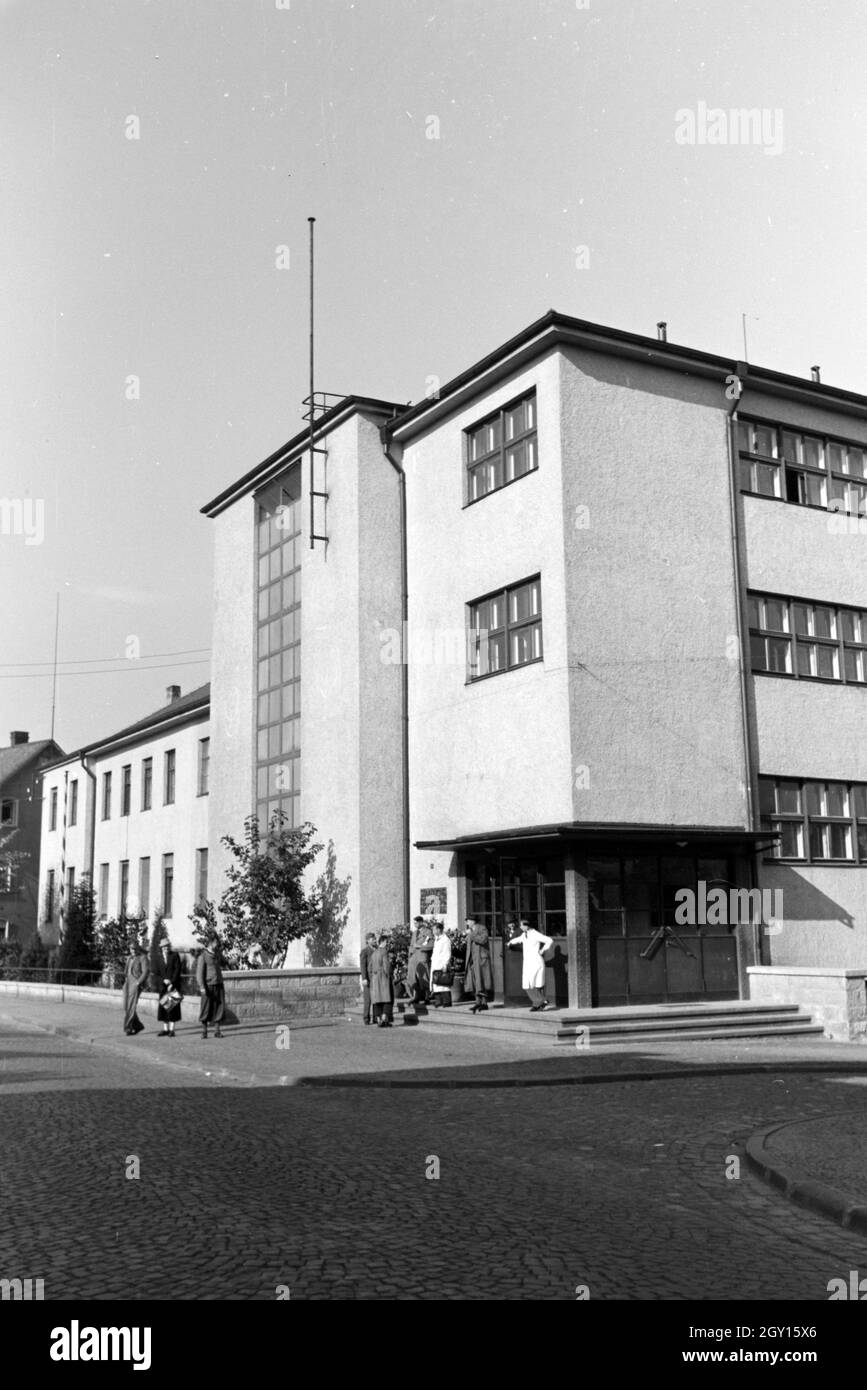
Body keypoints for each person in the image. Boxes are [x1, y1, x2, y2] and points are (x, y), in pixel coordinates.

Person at [506, 918, 553, 1010]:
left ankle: (541, 1001)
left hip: (535, 961)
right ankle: (537, 1004)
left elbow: (549, 940)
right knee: (531, 984)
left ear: (526, 925)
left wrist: (542, 950)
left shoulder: (535, 934)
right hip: (529, 962)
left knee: (529, 983)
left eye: (521, 925)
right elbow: (518, 939)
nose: (520, 927)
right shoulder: (525, 934)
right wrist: (510, 942)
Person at [196, 933, 225, 1039]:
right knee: (206, 1008)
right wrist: (202, 987)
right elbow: (199, 974)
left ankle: (217, 1031)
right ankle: (204, 1031)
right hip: (208, 986)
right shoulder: (203, 956)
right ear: (211, 942)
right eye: (216, 942)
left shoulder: (217, 954)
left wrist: (240, 956)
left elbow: (225, 962)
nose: (218, 944)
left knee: (219, 1007)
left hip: (218, 984)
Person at [464, 918, 493, 1013]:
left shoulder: (482, 928)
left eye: (468, 921)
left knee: (482, 980)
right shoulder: (471, 931)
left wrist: (471, 934)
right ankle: (477, 1002)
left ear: (473, 921)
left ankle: (484, 1003)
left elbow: (483, 940)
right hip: (472, 959)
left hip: (481, 959)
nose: (467, 923)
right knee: (475, 981)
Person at [156, 935, 183, 1038]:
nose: (165, 948)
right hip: (163, 986)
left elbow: (177, 970)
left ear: (169, 946)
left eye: (167, 946)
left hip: (173, 986)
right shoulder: (158, 958)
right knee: (163, 1008)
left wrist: (172, 982)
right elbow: (156, 973)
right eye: (164, 947)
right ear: (161, 948)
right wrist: (163, 980)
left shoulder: (175, 955)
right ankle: (165, 1029)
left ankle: (172, 1030)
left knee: (172, 1009)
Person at [406, 916, 435, 1005]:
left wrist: (420, 946)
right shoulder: (414, 933)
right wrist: (410, 955)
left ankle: (427, 997)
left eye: (416, 923)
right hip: (413, 958)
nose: (415, 924)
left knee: (425, 977)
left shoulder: (428, 932)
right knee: (413, 978)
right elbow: (412, 945)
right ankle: (416, 996)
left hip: (422, 956)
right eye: (414, 923)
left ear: (421, 922)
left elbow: (431, 945)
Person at [122, 941, 149, 1035]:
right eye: (131, 949)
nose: (132, 951)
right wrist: (125, 980)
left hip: (135, 983)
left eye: (134, 949)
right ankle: (138, 1025)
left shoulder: (143, 958)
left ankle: (128, 1027)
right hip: (127, 982)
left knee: (131, 1005)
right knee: (126, 1006)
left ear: (138, 949)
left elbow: (146, 972)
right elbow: (126, 970)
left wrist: (138, 982)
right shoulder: (129, 958)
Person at [369, 933, 394, 1027]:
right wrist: (389, 974)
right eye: (386, 942)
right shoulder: (384, 952)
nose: (387, 944)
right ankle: (384, 1019)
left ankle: (379, 1019)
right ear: (383, 942)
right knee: (386, 998)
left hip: (375, 978)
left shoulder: (374, 952)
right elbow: (386, 966)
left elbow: (369, 967)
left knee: (377, 1000)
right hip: (383, 977)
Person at [429, 921, 453, 1008]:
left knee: (443, 983)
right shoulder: (437, 939)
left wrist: (445, 964)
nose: (433, 931)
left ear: (439, 930)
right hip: (435, 963)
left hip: (441, 964)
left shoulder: (445, 940)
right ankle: (438, 1001)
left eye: (434, 929)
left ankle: (447, 1001)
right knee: (436, 983)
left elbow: (447, 953)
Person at [359, 931, 377, 1025]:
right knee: (368, 999)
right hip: (368, 979)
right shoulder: (365, 951)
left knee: (376, 999)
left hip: (376, 979)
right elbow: (363, 966)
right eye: (372, 939)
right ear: (367, 941)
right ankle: (366, 1018)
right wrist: (364, 978)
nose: (375, 940)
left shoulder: (377, 950)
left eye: (375, 938)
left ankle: (375, 1017)